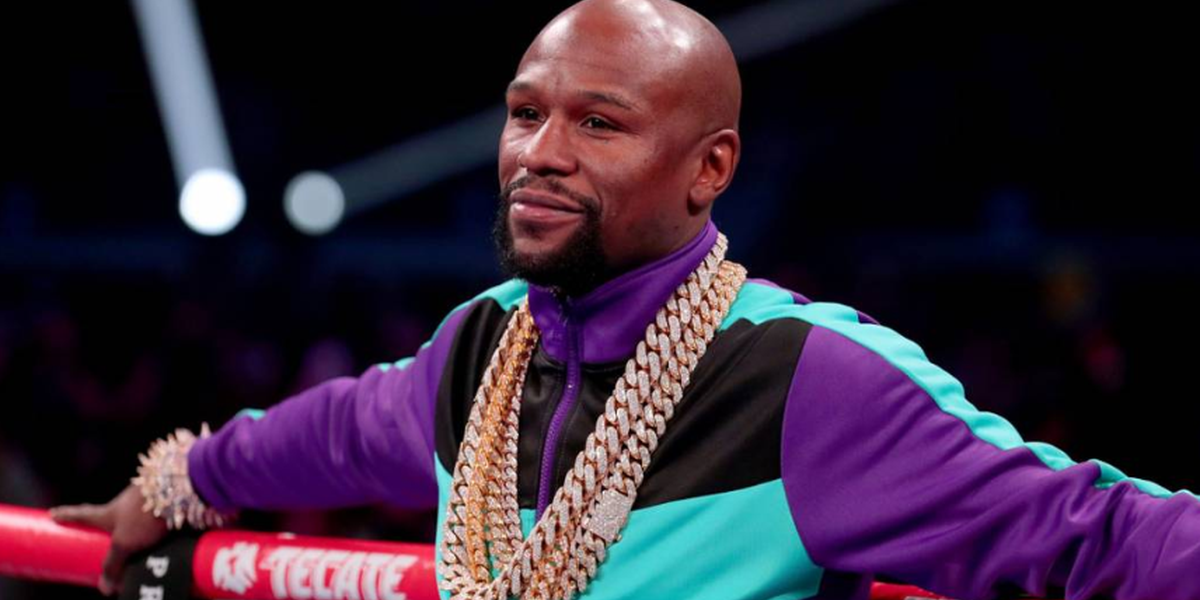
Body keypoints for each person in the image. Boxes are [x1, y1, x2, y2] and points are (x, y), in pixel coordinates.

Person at [52, 0, 1200, 599]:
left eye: (598, 123)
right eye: (525, 112)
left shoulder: (806, 379)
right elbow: (336, 434)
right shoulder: (479, 347)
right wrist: (178, 482)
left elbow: (1094, 531)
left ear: (710, 168)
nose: (539, 153)